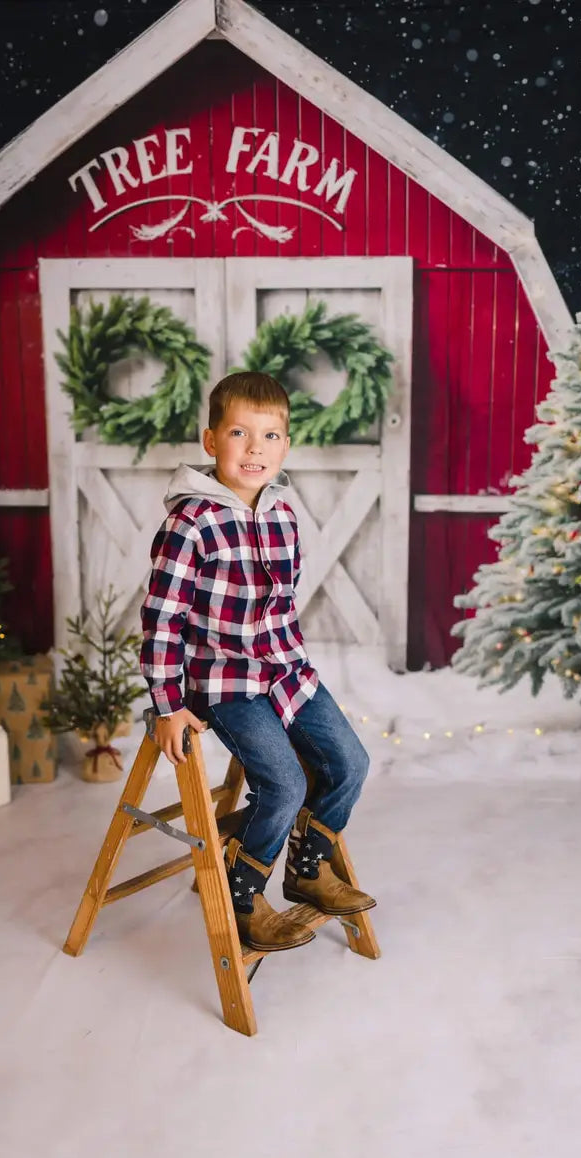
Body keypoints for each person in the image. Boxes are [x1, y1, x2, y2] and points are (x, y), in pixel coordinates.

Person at [140, 371, 375, 953]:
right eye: (240, 433)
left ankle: (308, 866)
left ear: (285, 446)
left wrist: (292, 675)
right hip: (224, 681)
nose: (254, 449)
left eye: (269, 436)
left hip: (284, 671)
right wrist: (169, 706)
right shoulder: (189, 524)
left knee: (351, 761)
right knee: (286, 784)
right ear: (210, 440)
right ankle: (244, 893)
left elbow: (282, 606)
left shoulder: (282, 517)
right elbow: (162, 621)